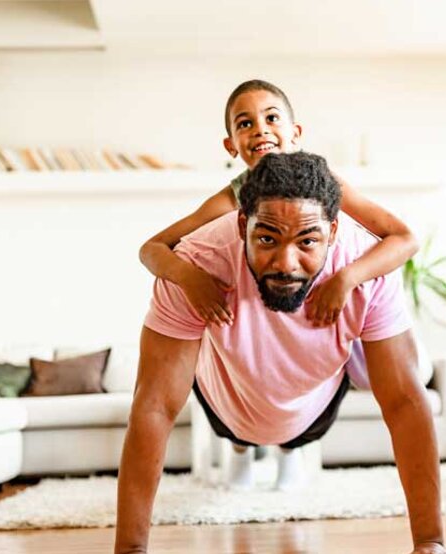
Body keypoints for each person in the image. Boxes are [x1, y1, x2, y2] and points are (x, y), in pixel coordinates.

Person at [115, 152, 446, 554]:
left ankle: (282, 448)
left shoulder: (366, 268)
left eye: (307, 242)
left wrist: (430, 542)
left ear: (333, 232)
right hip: (226, 406)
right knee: (228, 423)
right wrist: (130, 550)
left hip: (313, 407)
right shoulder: (197, 264)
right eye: (267, 239)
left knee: (391, 369)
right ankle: (242, 448)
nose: (286, 264)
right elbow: (154, 405)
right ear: (242, 224)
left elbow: (405, 402)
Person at [138, 79, 419, 487]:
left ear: (296, 133)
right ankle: (240, 447)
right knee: (235, 363)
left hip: (309, 336)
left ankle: (291, 449)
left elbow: (404, 238)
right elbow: (151, 249)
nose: (260, 130)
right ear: (231, 145)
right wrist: (189, 277)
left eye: (271, 118)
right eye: (245, 123)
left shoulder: (326, 187)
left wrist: (347, 278)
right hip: (248, 337)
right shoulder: (230, 200)